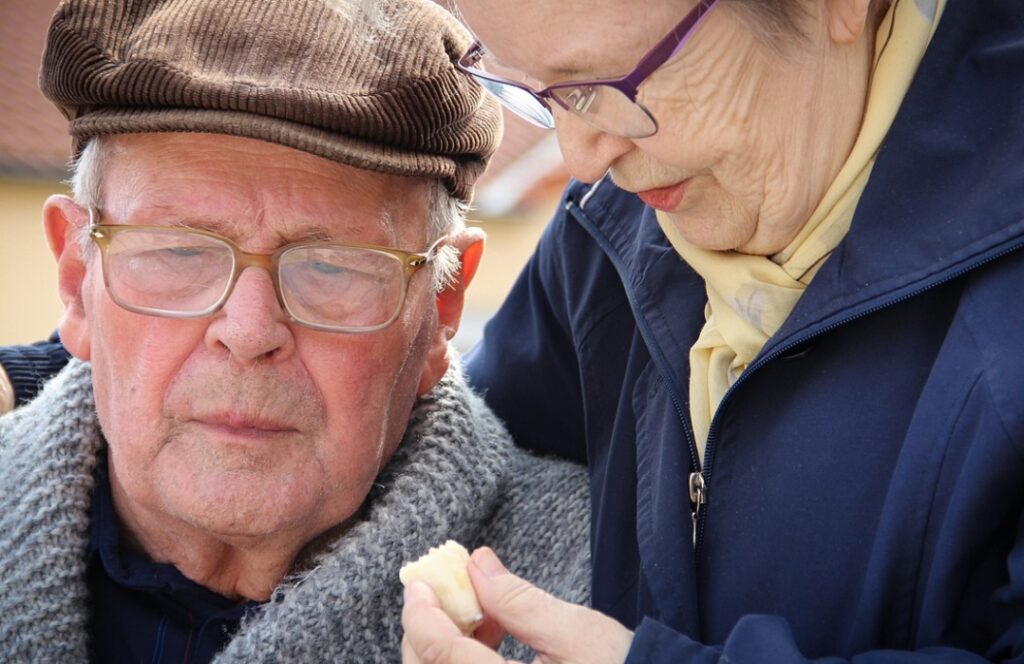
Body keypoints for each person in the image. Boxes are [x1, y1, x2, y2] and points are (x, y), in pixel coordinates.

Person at [401, 0, 1024, 662]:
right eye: (535, 90)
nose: (582, 159)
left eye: (612, 83)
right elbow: (472, 463)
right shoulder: (604, 239)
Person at [0, 0, 591, 661]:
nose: (250, 332)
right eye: (179, 252)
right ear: (79, 277)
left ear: (441, 305)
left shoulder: (600, 591)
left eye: (332, 267)